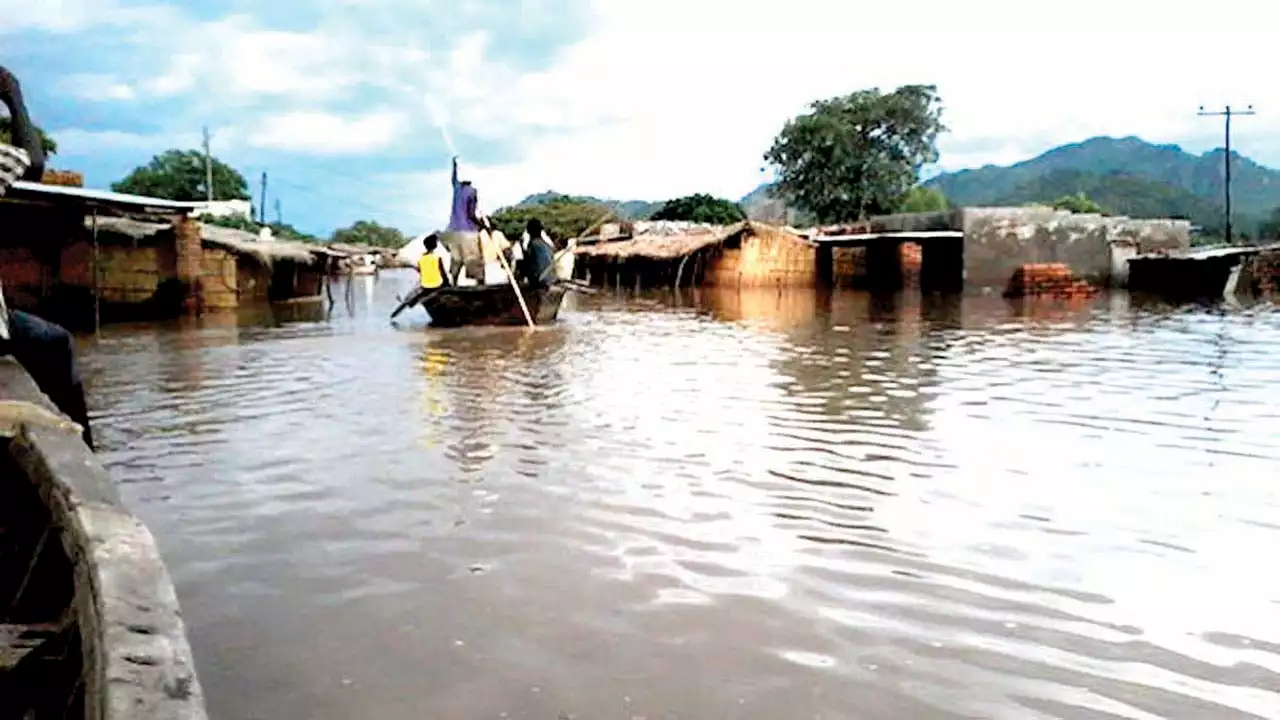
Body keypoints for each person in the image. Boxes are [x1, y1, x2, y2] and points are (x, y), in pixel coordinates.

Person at [440, 157, 484, 284]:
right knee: (473, 258)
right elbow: (471, 214)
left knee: (456, 258)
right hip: (468, 231)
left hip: (453, 230)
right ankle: (479, 283)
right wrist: (482, 226)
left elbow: (453, 178)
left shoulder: (457, 188)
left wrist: (454, 164)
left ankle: (453, 282)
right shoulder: (473, 192)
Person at [520, 218, 556, 286]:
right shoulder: (547, 245)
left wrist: (522, 249)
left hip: (540, 281)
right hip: (551, 279)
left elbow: (529, 264)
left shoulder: (533, 245)